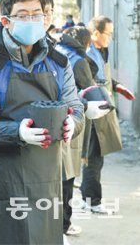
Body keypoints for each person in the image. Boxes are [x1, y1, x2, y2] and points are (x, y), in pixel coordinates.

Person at [0, 0, 84, 244]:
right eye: (22, 15)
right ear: (5, 21)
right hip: (2, 177)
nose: (32, 20)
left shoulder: (59, 62)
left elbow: (76, 107)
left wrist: (73, 122)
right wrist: (17, 132)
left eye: (37, 14)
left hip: (47, 177)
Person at [55, 26, 112, 236]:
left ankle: (59, 224)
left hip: (56, 119)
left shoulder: (58, 51)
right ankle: (63, 225)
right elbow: (89, 91)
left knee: (60, 175)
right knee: (68, 174)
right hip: (73, 120)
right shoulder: (79, 60)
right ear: (87, 41)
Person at [80, 15, 136, 214]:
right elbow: (88, 84)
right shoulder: (86, 55)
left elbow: (106, 79)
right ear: (95, 34)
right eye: (108, 34)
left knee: (97, 157)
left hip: (103, 109)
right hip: (94, 112)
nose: (110, 38)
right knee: (92, 158)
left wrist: (118, 87)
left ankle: (89, 197)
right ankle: (92, 201)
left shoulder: (101, 52)